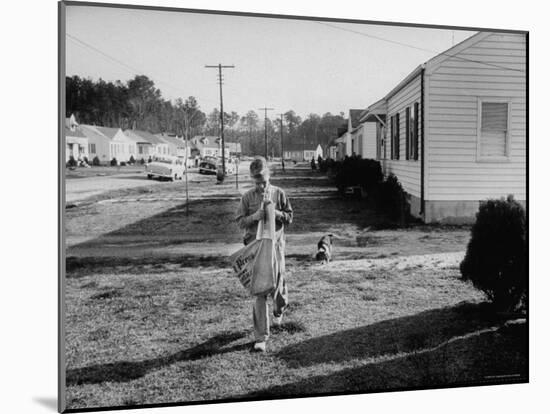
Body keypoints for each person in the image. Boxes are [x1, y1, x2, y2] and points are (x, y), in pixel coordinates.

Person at [235, 156, 293, 352]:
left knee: (278, 284)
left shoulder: (279, 193)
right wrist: (255, 216)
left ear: (269, 176)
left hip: (276, 246)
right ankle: (261, 337)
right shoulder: (247, 197)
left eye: (264, 182)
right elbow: (240, 221)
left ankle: (279, 309)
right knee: (259, 291)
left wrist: (275, 213)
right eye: (257, 183)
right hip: (256, 248)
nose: (261, 187)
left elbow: (290, 217)